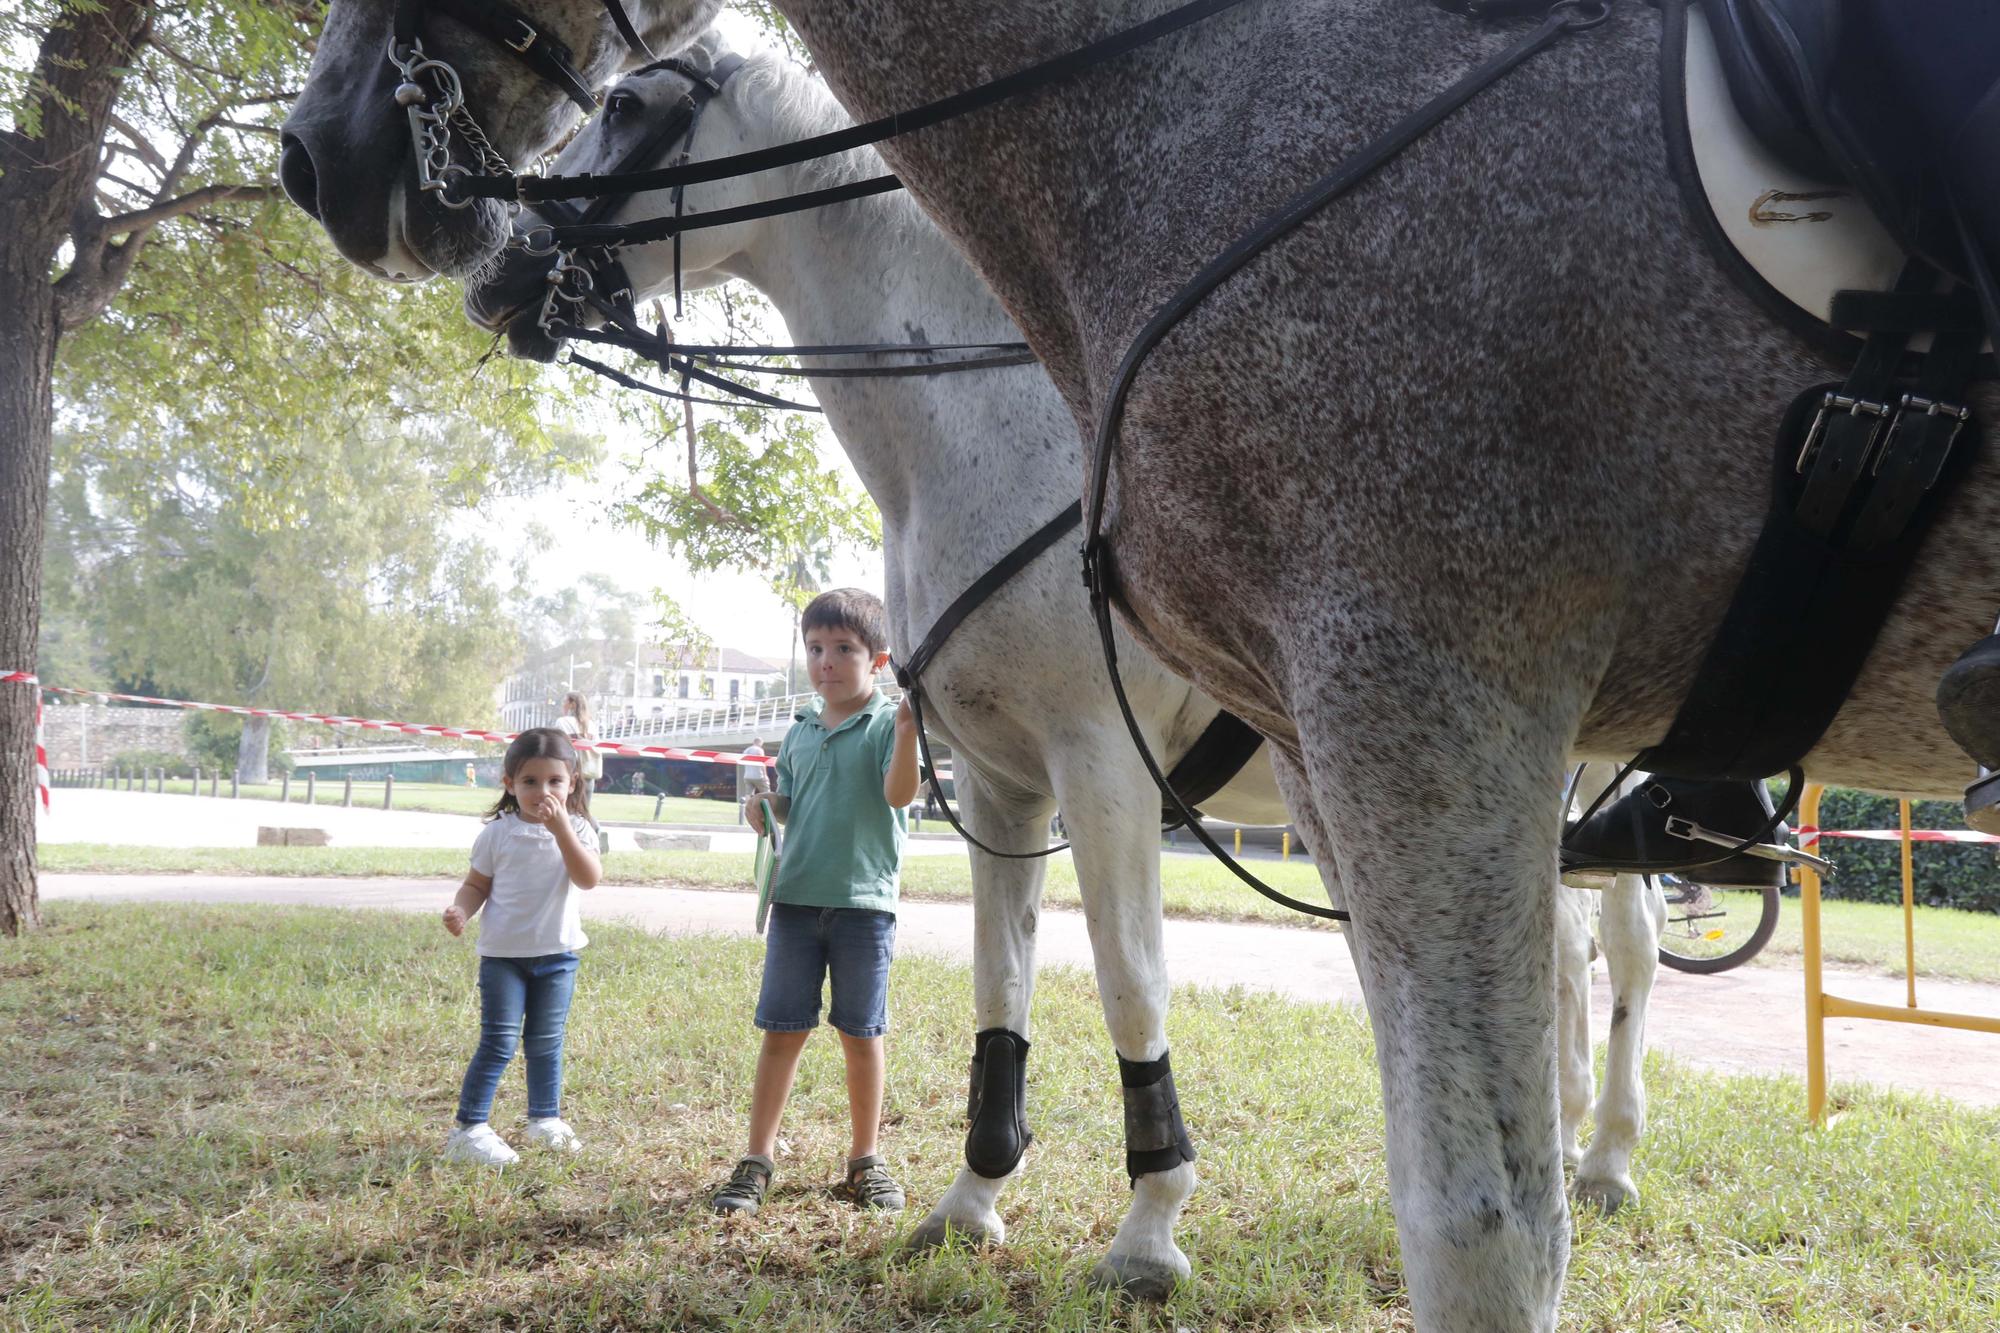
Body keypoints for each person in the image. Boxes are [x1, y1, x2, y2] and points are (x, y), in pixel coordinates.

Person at [712, 589, 920, 1217]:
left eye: (844, 649)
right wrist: (763, 809)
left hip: (863, 906)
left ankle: (864, 1161)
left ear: (877, 660)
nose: (826, 661)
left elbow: (898, 795)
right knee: (782, 1031)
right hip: (797, 903)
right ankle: (756, 1159)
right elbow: (788, 806)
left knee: (861, 1034)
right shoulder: (799, 728)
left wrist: (909, 734)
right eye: (816, 648)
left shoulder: (887, 722)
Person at [440, 727, 603, 1166]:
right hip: (504, 959)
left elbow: (587, 878)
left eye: (554, 781)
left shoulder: (581, 829)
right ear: (509, 783)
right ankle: (468, 1128)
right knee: (498, 1041)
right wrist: (461, 909)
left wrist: (561, 829)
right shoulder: (498, 834)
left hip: (558, 956)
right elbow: (477, 884)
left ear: (572, 784)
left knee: (546, 1042)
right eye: (530, 781)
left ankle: (544, 1119)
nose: (542, 792)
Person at [554, 692, 603, 816]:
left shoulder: (562, 722)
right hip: (588, 774)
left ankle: (595, 831)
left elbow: (557, 747)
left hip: (571, 773)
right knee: (583, 813)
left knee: (569, 813)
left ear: (572, 704)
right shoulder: (590, 724)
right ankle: (595, 832)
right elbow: (598, 748)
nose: (563, 705)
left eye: (565, 702)